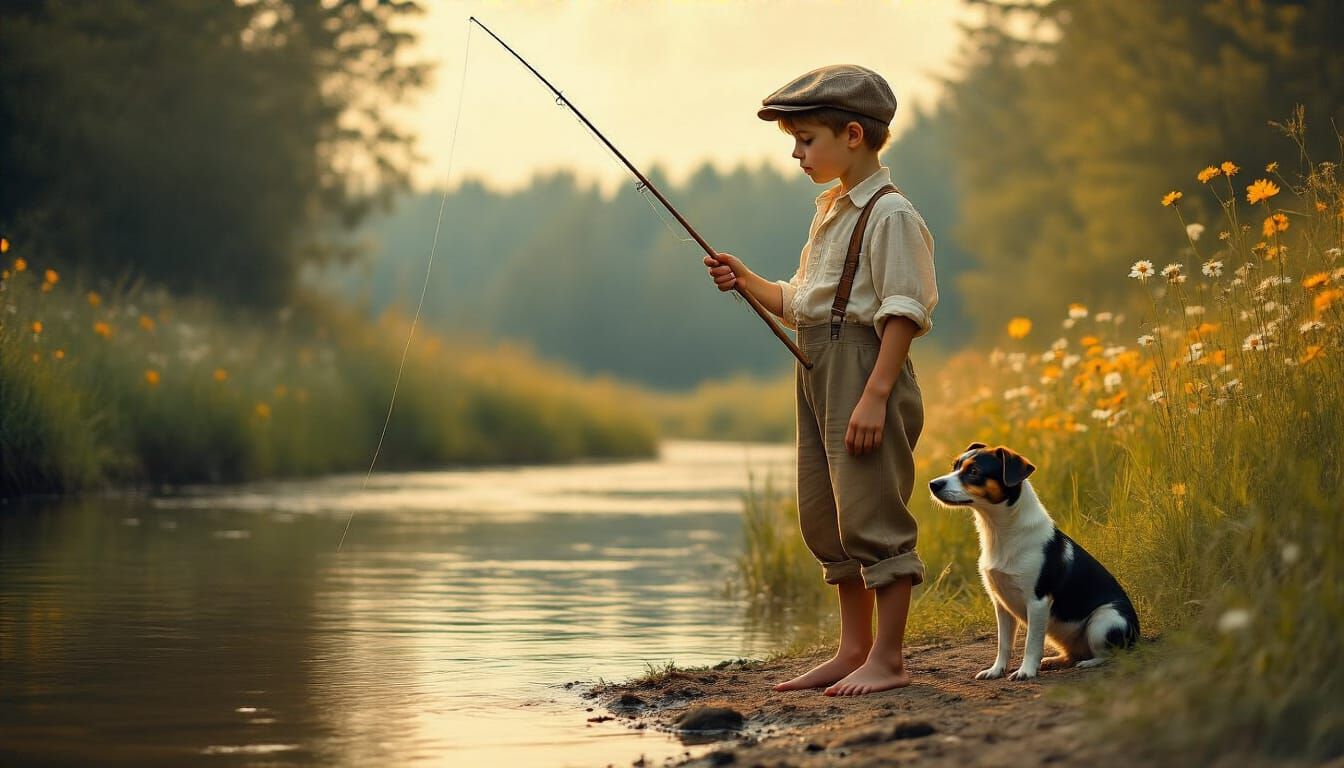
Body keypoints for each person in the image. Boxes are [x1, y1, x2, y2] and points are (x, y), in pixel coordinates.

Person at [704, 64, 938, 697]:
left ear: (854, 135)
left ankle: (888, 659)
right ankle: (853, 648)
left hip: (864, 370)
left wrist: (875, 396)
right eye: (795, 141)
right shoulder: (832, 210)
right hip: (817, 366)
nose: (796, 152)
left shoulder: (892, 216)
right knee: (825, 513)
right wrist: (747, 279)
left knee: (871, 508)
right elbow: (803, 300)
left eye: (807, 139)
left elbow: (904, 311)